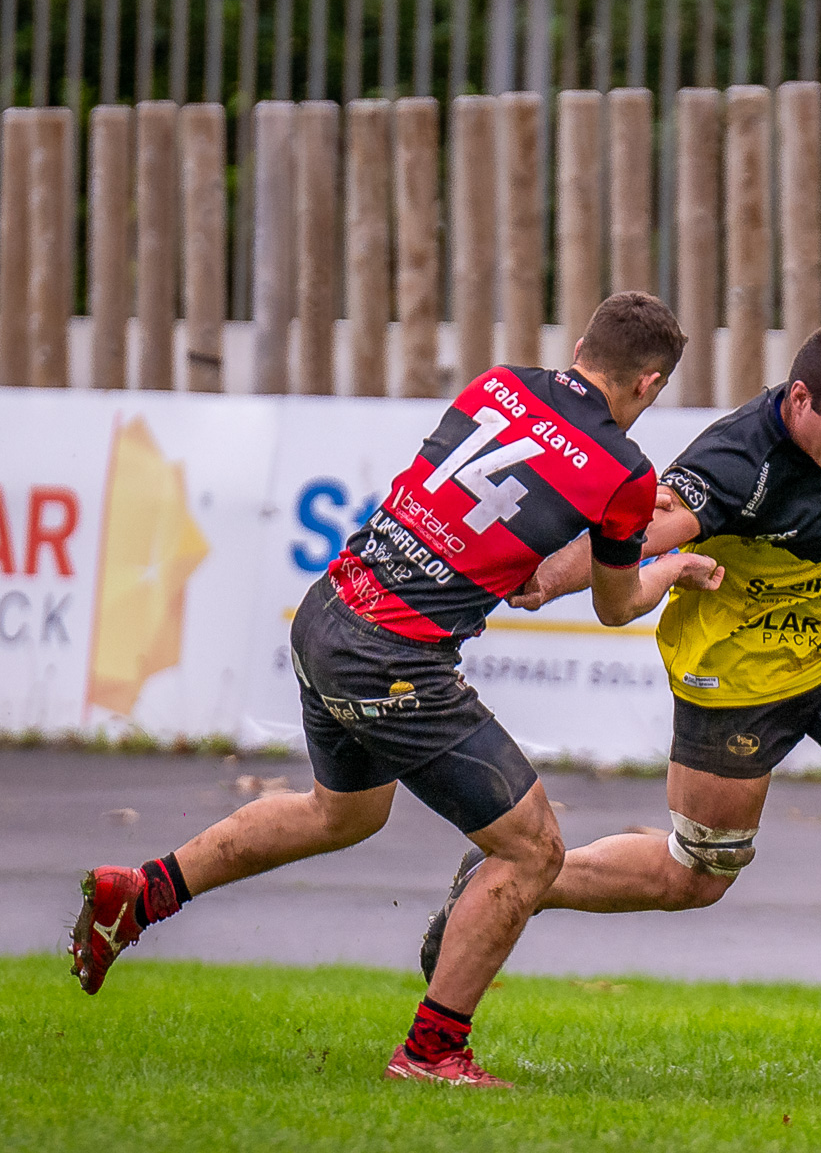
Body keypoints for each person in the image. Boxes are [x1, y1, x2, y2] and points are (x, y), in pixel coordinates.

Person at [70, 292, 722, 1088]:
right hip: (392, 658)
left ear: (581, 342)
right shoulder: (624, 471)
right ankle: (433, 1051)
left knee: (342, 812)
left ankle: (141, 895)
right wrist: (675, 565)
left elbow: (478, 500)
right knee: (534, 849)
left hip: (328, 611)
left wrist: (528, 564)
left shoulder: (501, 385)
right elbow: (618, 604)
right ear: (650, 384)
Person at [421, 315, 821, 1084]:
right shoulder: (736, 463)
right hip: (735, 676)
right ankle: (505, 886)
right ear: (800, 398)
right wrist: (539, 576)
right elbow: (637, 536)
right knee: (696, 875)